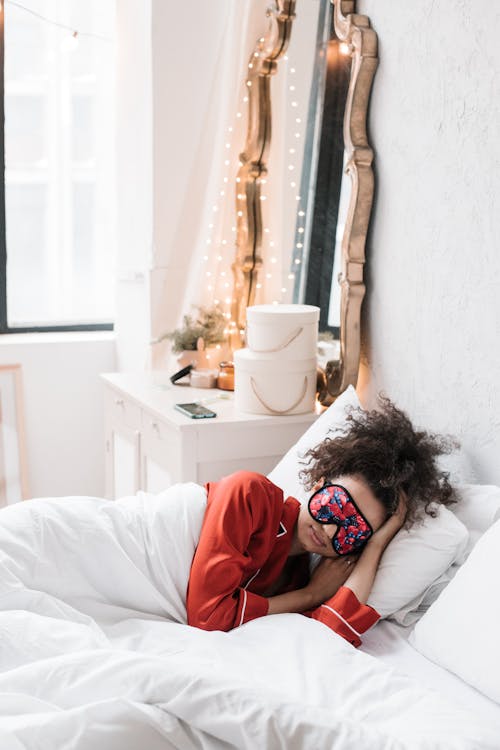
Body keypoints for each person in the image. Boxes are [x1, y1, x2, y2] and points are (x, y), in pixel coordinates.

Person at [186, 396, 457, 646]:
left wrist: (376, 544)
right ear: (318, 484)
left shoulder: (299, 577)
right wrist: (310, 596)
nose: (329, 531)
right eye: (336, 505)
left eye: (354, 529)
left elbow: (329, 637)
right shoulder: (250, 494)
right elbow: (206, 618)